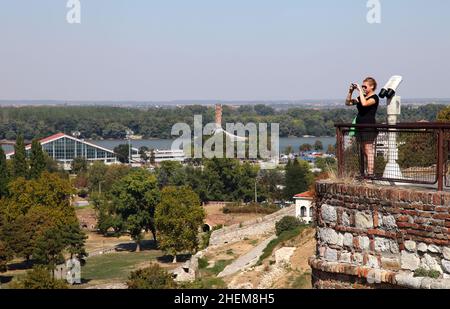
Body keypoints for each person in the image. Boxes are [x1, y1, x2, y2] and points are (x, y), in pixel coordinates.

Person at [345, 77, 379, 177]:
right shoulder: (361, 97)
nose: (363, 88)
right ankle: (365, 172)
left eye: (365, 86)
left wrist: (359, 90)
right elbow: (348, 103)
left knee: (368, 149)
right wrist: (350, 92)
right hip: (360, 127)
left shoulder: (374, 98)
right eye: (362, 86)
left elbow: (364, 104)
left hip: (369, 127)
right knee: (364, 150)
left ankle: (370, 174)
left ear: (372, 86)